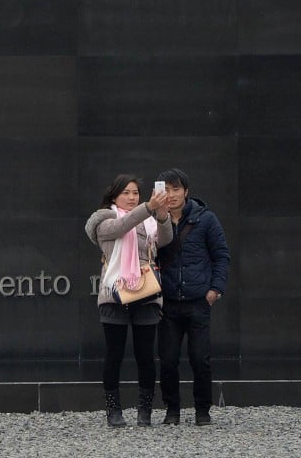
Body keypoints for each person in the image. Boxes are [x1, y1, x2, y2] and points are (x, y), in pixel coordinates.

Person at [85, 174, 173, 427]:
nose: (132, 197)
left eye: (136, 193)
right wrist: (149, 208)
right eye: (126, 193)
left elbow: (166, 239)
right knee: (114, 354)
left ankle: (144, 411)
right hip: (114, 295)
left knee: (146, 355)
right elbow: (122, 228)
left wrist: (163, 214)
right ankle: (114, 411)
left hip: (146, 294)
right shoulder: (104, 219)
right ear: (114, 196)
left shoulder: (150, 221)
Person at [155, 168, 230, 426]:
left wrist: (214, 290)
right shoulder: (154, 220)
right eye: (166, 189)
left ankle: (202, 410)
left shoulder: (205, 219)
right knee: (167, 360)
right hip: (168, 304)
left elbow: (221, 255)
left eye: (176, 189)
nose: (172, 194)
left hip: (199, 302)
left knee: (200, 359)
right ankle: (172, 410)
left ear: (186, 191)